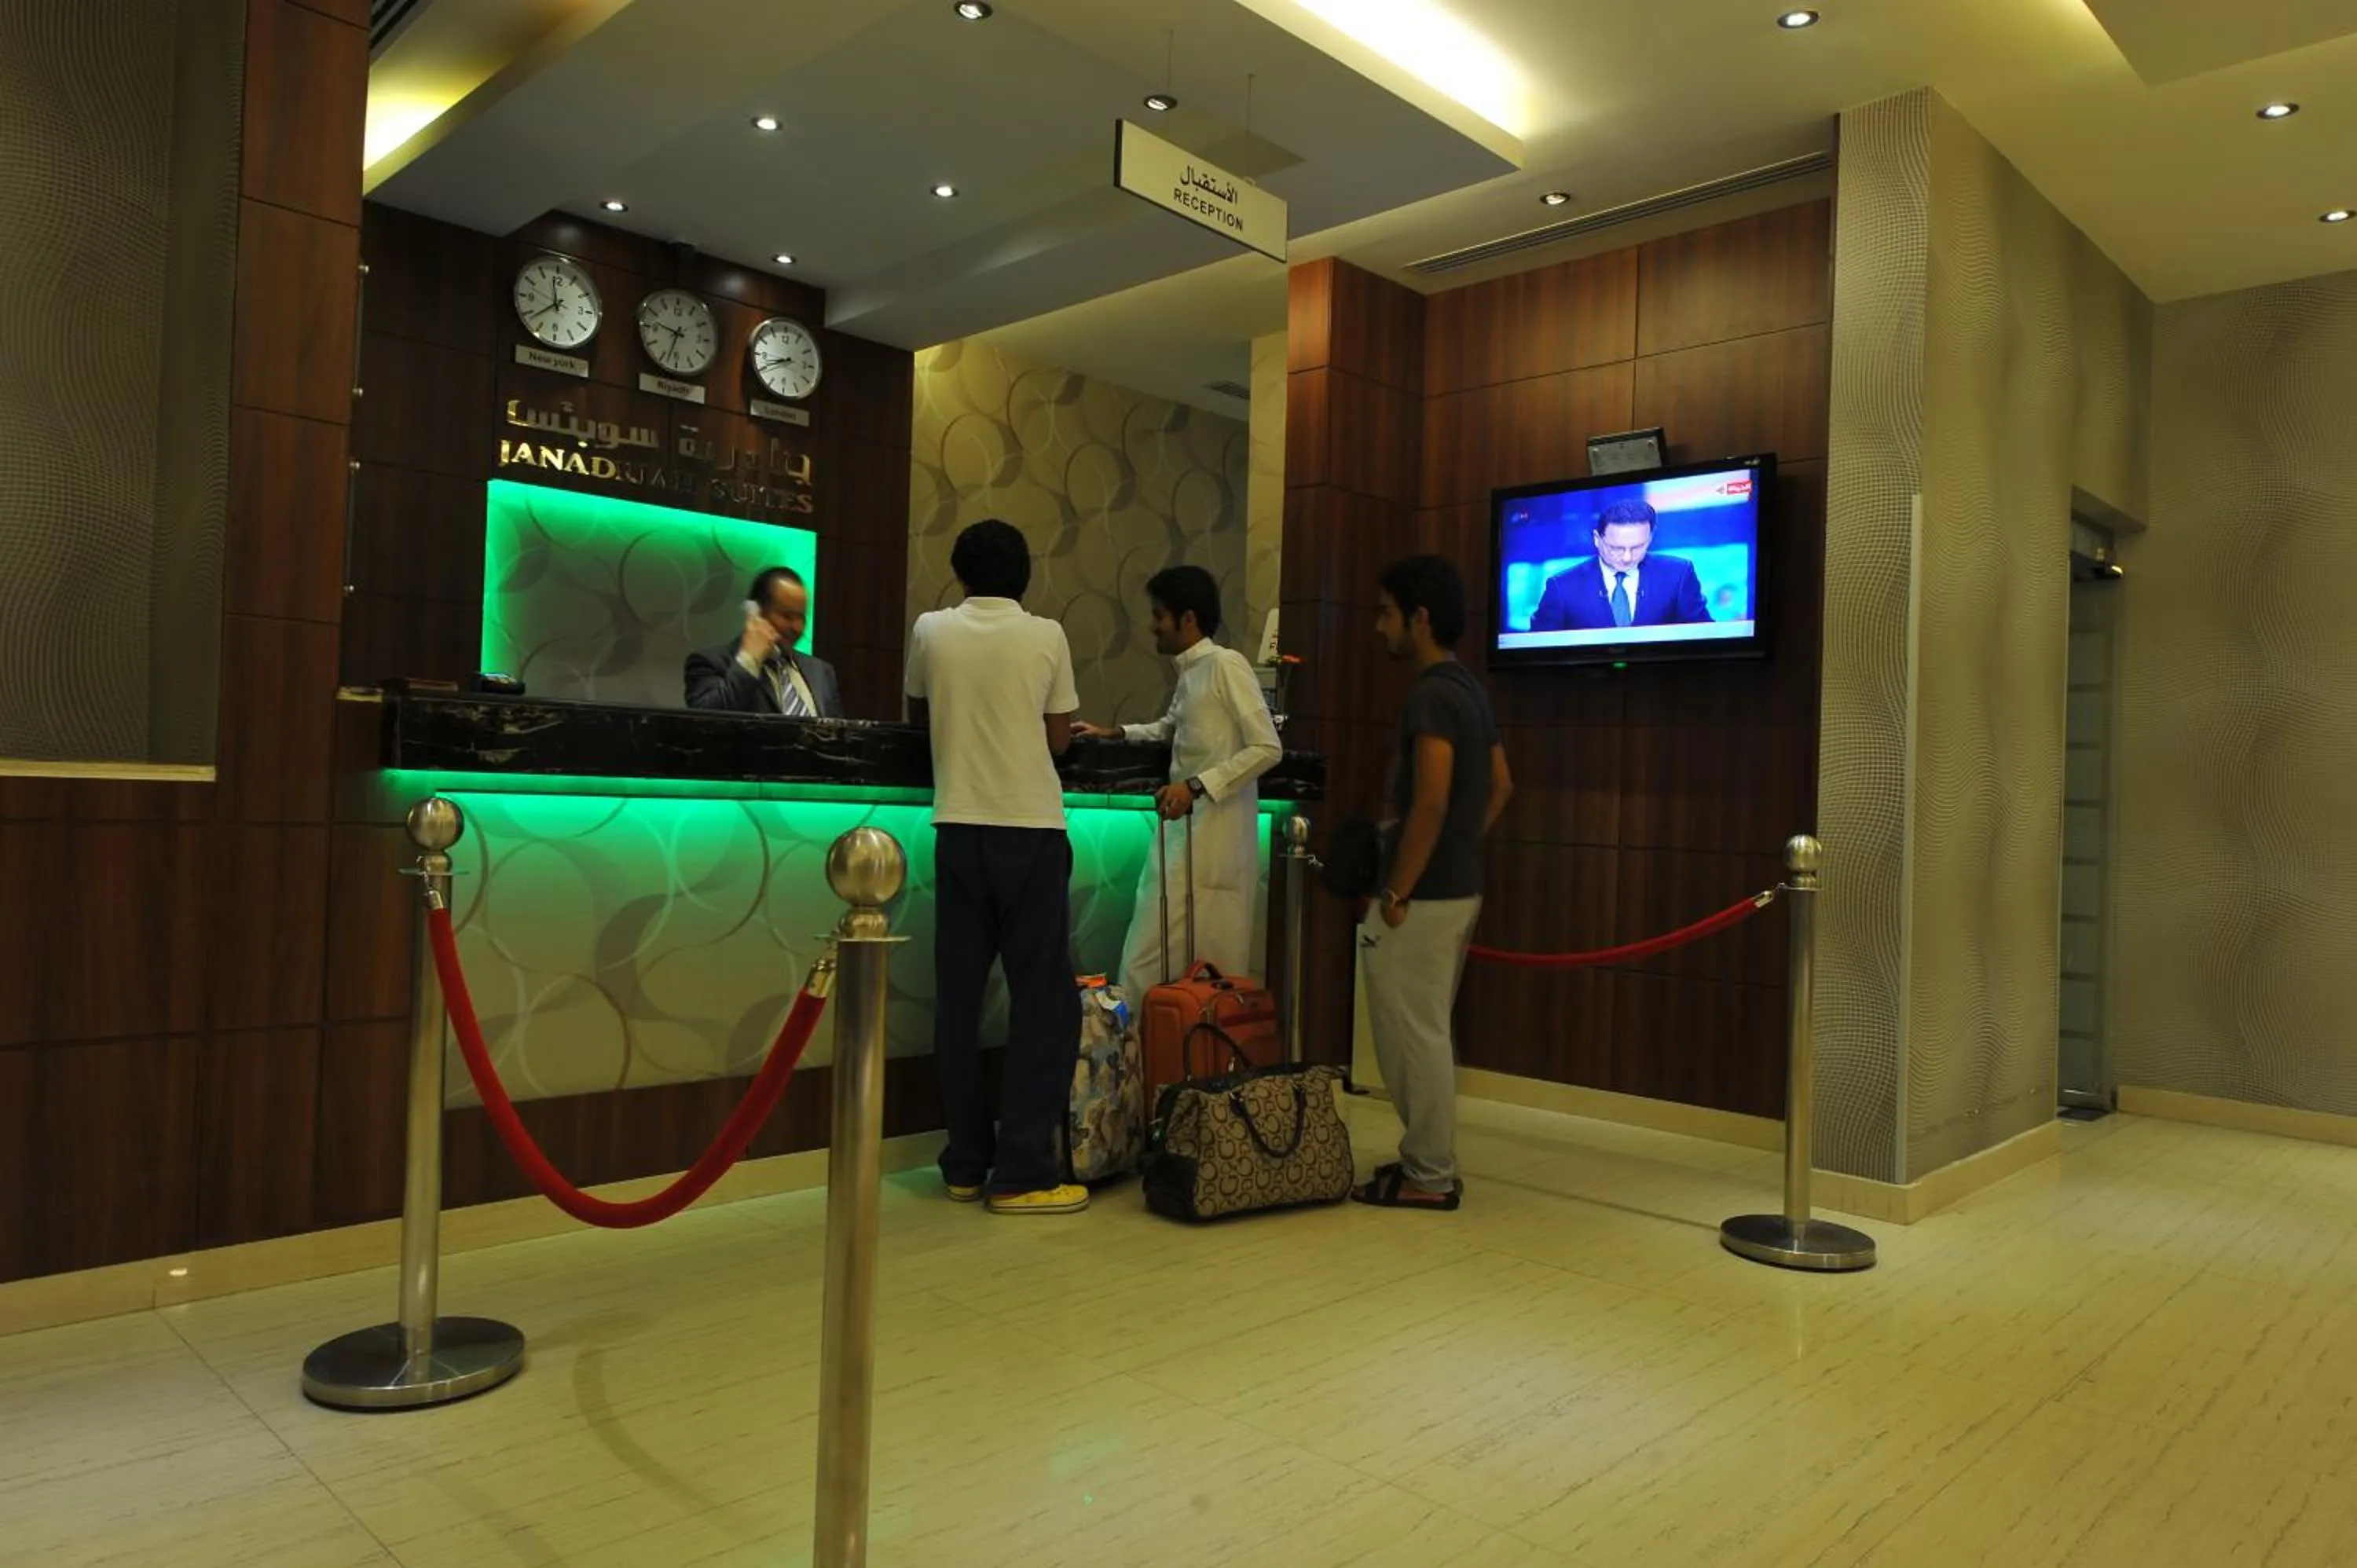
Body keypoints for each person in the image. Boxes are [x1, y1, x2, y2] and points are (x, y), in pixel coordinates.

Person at [905, 519, 1088, 1216]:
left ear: (959, 573)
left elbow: (918, 716)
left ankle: (965, 1161)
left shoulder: (930, 630)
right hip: (1032, 830)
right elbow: (1059, 736)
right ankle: (1022, 1174)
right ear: (1025, 576)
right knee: (1043, 1004)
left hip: (957, 827)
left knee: (958, 999)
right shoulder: (1048, 635)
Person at [1354, 555, 1512, 1211]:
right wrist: (1454, 854)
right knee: (1427, 1028)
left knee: (1413, 1032)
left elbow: (1430, 800)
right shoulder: (1469, 688)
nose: (1377, 626)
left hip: (1421, 896)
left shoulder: (1431, 694)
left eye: (1387, 612)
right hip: (1457, 885)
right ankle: (1428, 1162)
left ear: (1420, 619)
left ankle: (1428, 1172)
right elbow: (1502, 785)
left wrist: (1399, 889)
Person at [1075, 566, 1282, 1011]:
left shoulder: (1226, 665)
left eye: (1158, 615)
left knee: (1213, 977)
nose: (1152, 625)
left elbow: (1268, 747)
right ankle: (1148, 1071)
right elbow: (1175, 727)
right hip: (1182, 839)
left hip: (1216, 843)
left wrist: (1195, 786)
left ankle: (1197, 1075)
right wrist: (1116, 733)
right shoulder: (1191, 673)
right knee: (1147, 964)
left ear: (1187, 619)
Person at [1527, 499, 1711, 632]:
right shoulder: (1562, 586)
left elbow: (1706, 636)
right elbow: (1536, 649)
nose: (1627, 557)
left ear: (1650, 539)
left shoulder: (1678, 574)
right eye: (1616, 548)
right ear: (1597, 540)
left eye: (1638, 547)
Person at [684, 566, 843, 717]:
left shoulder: (821, 672)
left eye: (801, 617)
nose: (797, 627)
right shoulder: (710, 663)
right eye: (787, 616)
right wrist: (749, 660)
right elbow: (707, 723)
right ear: (756, 612)